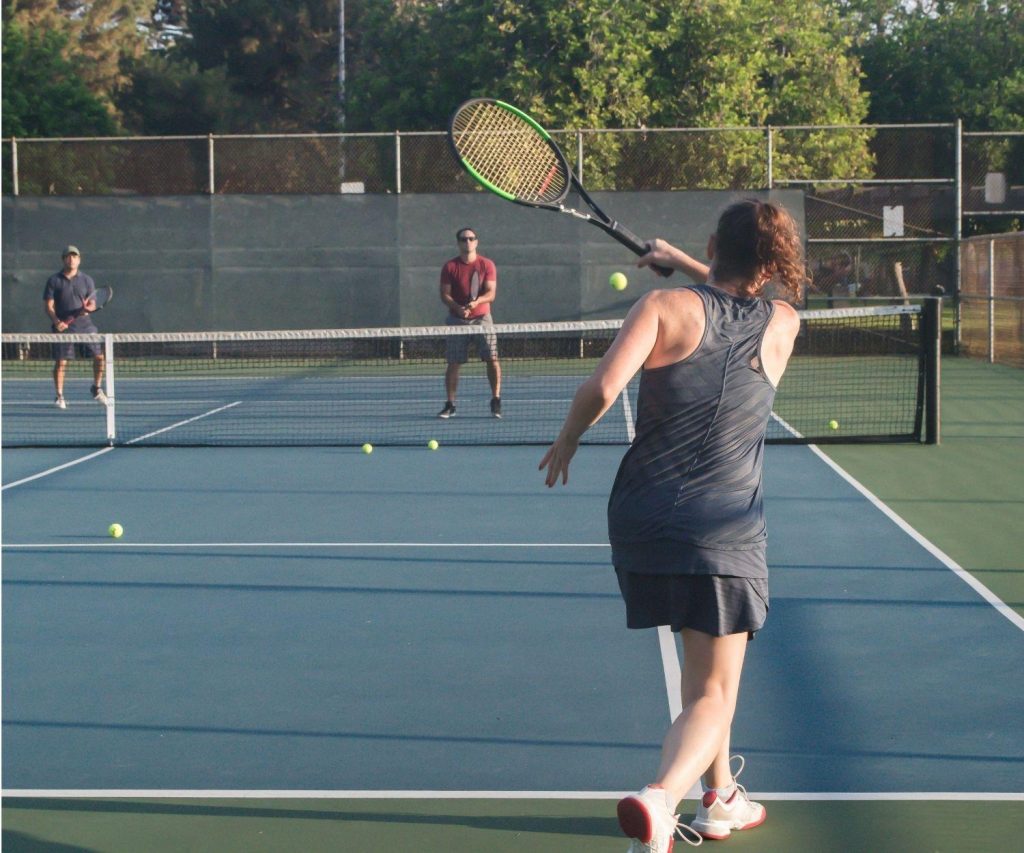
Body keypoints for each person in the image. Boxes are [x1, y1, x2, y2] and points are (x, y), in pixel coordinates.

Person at [539, 199, 806, 851]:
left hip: (641, 516)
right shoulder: (784, 322)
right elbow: (740, 292)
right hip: (723, 525)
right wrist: (689, 263)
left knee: (702, 671)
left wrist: (567, 441)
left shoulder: (661, 309)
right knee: (717, 688)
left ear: (714, 242)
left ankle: (720, 798)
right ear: (774, 263)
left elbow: (604, 387)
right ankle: (662, 799)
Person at [438, 227, 502, 419]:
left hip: (482, 318)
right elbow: (445, 294)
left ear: (476, 242)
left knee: (492, 358)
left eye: (471, 239)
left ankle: (496, 400)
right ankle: (450, 404)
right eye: (464, 239)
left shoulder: (487, 265)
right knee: (454, 362)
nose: (468, 242)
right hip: (457, 320)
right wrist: (457, 307)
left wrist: (476, 302)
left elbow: (490, 293)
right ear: (458, 243)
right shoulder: (450, 267)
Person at [43, 245, 108, 409]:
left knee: (100, 357)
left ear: (79, 260)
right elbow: (49, 306)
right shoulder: (54, 280)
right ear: (63, 259)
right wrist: (57, 321)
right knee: (61, 363)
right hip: (63, 329)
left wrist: (89, 309)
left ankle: (96, 388)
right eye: (68, 256)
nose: (71, 259)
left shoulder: (87, 280)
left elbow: (92, 302)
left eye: (74, 256)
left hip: (86, 327)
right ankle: (59, 396)